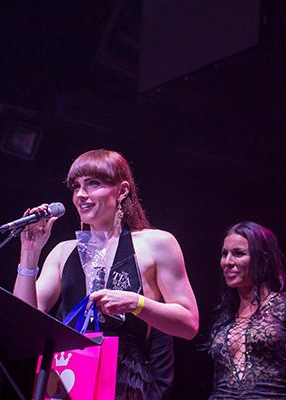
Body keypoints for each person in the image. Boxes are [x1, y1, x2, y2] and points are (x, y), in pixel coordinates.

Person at [13, 148, 199, 400]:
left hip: (123, 383)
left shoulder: (156, 243)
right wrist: (29, 251)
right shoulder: (62, 252)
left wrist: (137, 303)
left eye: (93, 183)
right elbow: (23, 323)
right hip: (67, 377)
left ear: (122, 191)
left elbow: (189, 324)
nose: (81, 194)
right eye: (76, 186)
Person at [208, 221, 286, 399]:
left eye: (238, 253)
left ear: (263, 258)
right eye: (224, 254)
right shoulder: (224, 318)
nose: (227, 262)